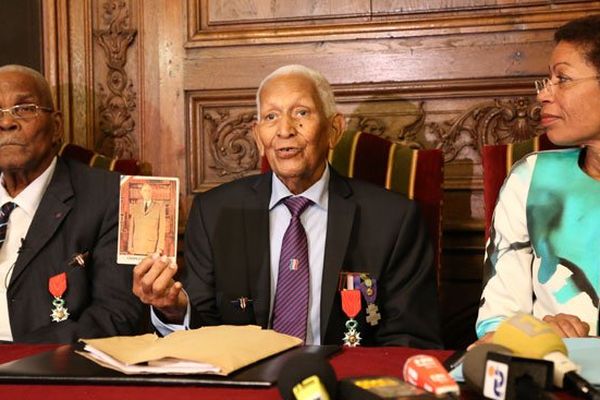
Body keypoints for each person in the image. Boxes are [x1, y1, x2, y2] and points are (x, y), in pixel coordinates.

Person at [133, 64, 441, 348]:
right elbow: (203, 326)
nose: (284, 130)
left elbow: (410, 338)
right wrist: (173, 310)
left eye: (301, 113)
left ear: (333, 130)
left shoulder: (392, 219)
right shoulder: (214, 212)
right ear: (257, 137)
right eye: (271, 117)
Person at [476, 14, 600, 341]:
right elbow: (497, 322)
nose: (544, 95)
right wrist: (533, 334)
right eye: (548, 80)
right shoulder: (531, 179)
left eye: (563, 79)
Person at [0, 64, 143, 343]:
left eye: (25, 108)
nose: (6, 123)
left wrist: (24, 360)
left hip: (48, 370)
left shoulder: (112, 196)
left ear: (56, 127)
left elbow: (118, 313)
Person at [127, 182, 166, 256]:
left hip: (152, 249)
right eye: (145, 190)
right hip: (136, 248)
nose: (147, 193)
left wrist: (159, 249)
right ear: (141, 192)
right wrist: (129, 246)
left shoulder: (159, 207)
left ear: (152, 193)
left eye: (149, 191)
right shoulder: (135, 207)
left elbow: (161, 229)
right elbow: (132, 228)